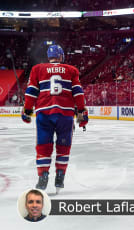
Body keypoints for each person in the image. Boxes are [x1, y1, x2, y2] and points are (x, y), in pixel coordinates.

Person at [21, 45, 88, 193]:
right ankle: (60, 176)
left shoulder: (37, 69)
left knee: (43, 147)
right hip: (65, 114)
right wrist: (82, 111)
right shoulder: (71, 70)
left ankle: (43, 176)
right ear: (61, 56)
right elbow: (78, 92)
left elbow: (31, 91)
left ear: (49, 56)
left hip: (44, 113)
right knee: (63, 147)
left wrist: (27, 110)